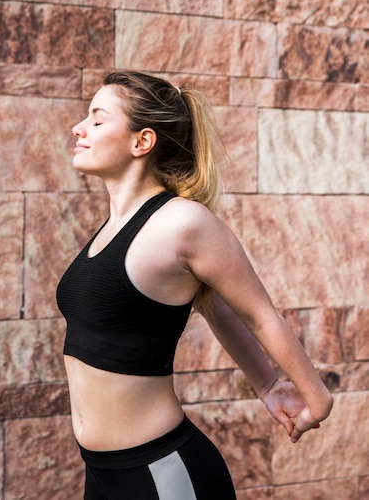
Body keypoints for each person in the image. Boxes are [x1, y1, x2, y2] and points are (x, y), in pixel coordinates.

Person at [57, 71, 333, 499]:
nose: (79, 127)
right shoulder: (114, 227)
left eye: (97, 119)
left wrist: (315, 397)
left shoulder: (184, 222)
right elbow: (213, 307)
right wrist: (265, 384)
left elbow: (258, 313)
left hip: (162, 473)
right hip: (102, 474)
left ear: (141, 142)